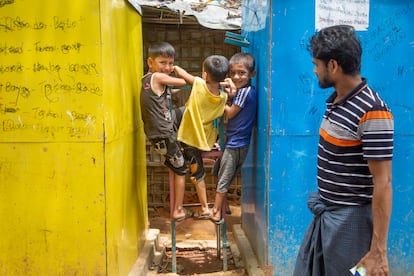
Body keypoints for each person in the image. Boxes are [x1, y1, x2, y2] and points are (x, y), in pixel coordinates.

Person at [293, 25, 393, 275]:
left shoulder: (372, 111)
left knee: (354, 274)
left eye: (317, 64)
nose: (315, 70)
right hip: (328, 219)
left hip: (352, 228)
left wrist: (378, 252)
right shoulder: (337, 100)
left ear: (333, 66)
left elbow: (383, 183)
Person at [140, 41, 193, 222]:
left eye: (171, 63)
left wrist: (175, 92)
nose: (168, 67)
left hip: (163, 128)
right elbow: (186, 82)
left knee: (189, 110)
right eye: (163, 63)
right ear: (150, 62)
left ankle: (191, 140)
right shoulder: (157, 77)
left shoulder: (148, 80)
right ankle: (178, 210)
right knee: (181, 170)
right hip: (163, 134)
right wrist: (179, 70)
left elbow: (168, 91)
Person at [174, 55, 230, 219]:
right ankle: (206, 207)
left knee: (196, 174)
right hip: (206, 138)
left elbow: (184, 75)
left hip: (190, 137)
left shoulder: (198, 84)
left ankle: (205, 207)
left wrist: (176, 68)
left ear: (205, 75)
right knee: (198, 172)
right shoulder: (223, 97)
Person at [209, 53, 257, 224]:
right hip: (233, 141)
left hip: (237, 143)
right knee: (217, 172)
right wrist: (229, 95)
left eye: (242, 73)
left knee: (224, 178)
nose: (236, 77)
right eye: (233, 73)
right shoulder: (243, 92)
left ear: (252, 74)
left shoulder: (245, 92)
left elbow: (229, 113)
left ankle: (215, 212)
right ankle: (224, 206)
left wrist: (217, 98)